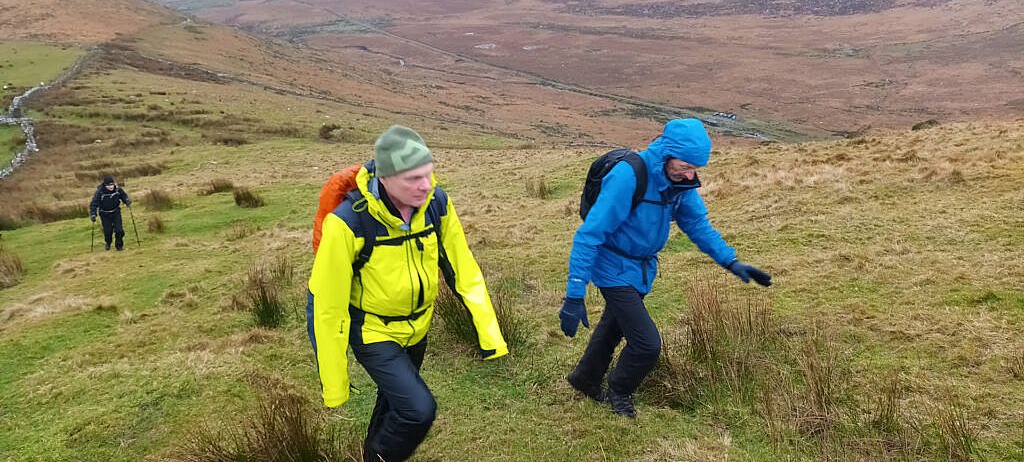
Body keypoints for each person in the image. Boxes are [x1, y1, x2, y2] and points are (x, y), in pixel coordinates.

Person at [307, 125, 508, 462]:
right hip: (372, 330)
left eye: (428, 175)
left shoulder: (436, 205)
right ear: (384, 178)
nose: (426, 185)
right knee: (418, 410)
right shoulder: (348, 223)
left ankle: (372, 454)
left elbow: (465, 271)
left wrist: (490, 335)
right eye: (413, 178)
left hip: (418, 327)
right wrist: (335, 383)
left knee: (393, 402)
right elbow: (327, 305)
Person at [559, 118, 772, 418]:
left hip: (641, 270)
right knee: (647, 344)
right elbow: (589, 235)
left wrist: (731, 261)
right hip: (612, 266)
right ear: (667, 154)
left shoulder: (680, 183)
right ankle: (620, 389)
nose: (691, 175)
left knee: (614, 326)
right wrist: (574, 295)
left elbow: (697, 225)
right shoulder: (630, 177)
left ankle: (585, 378)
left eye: (696, 168)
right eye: (686, 166)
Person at [89, 175, 132, 251]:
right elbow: (94, 204)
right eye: (109, 185)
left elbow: (124, 196)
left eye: (112, 184)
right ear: (105, 185)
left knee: (119, 231)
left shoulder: (118, 190)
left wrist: (127, 201)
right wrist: (93, 214)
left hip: (116, 212)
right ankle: (108, 243)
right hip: (104, 214)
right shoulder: (99, 192)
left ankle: (119, 246)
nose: (111, 187)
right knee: (108, 232)